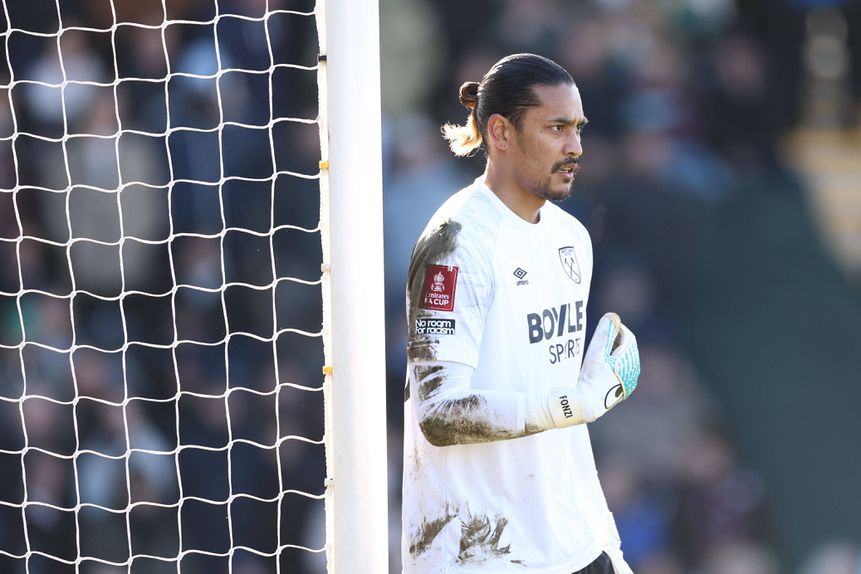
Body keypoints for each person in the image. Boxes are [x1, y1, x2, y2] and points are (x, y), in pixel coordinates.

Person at [401, 53, 641, 574]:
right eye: (556, 128)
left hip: (572, 545)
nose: (575, 146)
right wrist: (573, 402)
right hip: (481, 555)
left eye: (577, 128)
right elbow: (439, 413)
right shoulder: (455, 244)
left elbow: (564, 422)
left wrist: (608, 546)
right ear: (500, 132)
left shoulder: (571, 238)